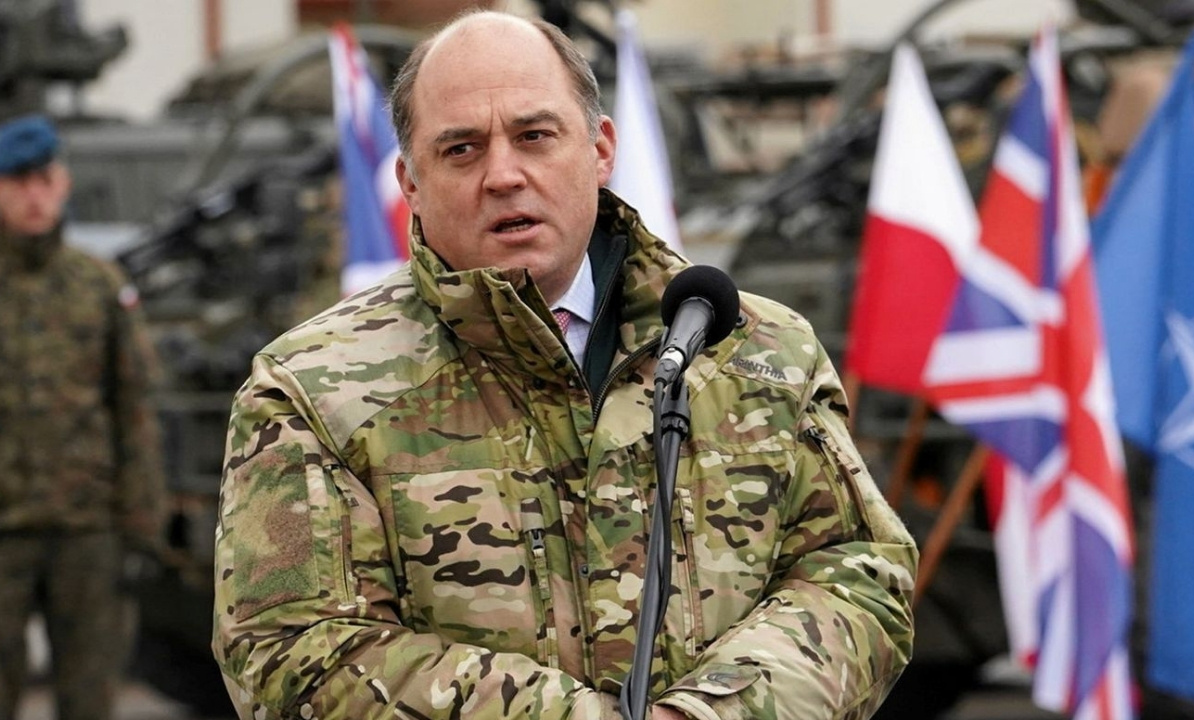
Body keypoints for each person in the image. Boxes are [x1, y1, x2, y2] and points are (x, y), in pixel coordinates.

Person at [212, 10, 917, 720]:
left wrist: (713, 713)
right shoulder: (311, 390)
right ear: (411, 183)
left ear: (600, 148)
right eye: (461, 149)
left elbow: (858, 575)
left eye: (535, 136)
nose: (503, 175)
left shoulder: (753, 348)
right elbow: (290, 650)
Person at [0, 114, 166, 720]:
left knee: (89, 695)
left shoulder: (98, 286)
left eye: (44, 180)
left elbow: (134, 409)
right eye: (18, 182)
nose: (34, 196)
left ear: (64, 184)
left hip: (87, 532)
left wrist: (142, 524)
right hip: (3, 531)